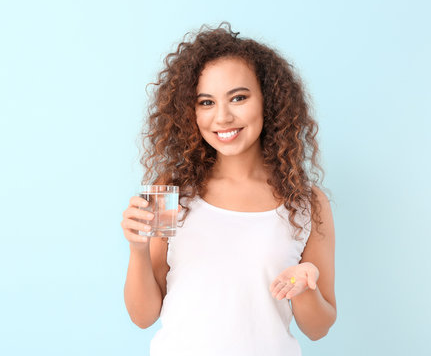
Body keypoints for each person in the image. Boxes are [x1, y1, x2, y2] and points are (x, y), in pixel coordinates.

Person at [121, 22, 336, 356]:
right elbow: (142, 316)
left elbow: (318, 329)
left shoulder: (307, 202)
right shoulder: (169, 191)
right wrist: (137, 250)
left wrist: (304, 285)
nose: (222, 117)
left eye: (238, 98)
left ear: (269, 100)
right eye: (206, 102)